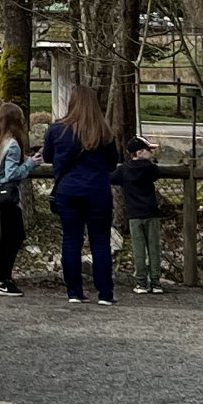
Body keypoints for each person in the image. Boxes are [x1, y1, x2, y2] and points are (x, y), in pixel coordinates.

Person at [45, 85, 119, 305]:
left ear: (72, 102)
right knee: (100, 241)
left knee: (71, 240)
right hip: (98, 191)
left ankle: (74, 291)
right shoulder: (104, 132)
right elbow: (112, 162)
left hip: (68, 190)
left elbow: (48, 156)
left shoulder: (57, 130)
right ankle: (105, 293)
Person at [0, 102, 34, 295]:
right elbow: (12, 174)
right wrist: (30, 164)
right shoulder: (13, 144)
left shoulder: (0, 141)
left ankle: (2, 278)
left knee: (8, 236)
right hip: (9, 196)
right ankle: (2, 280)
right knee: (15, 236)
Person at [115, 134, 168, 294]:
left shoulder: (123, 170)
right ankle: (156, 282)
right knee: (154, 247)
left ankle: (141, 282)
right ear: (139, 153)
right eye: (147, 150)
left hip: (134, 214)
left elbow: (112, 178)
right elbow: (156, 173)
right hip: (151, 212)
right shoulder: (150, 169)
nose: (150, 153)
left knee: (138, 249)